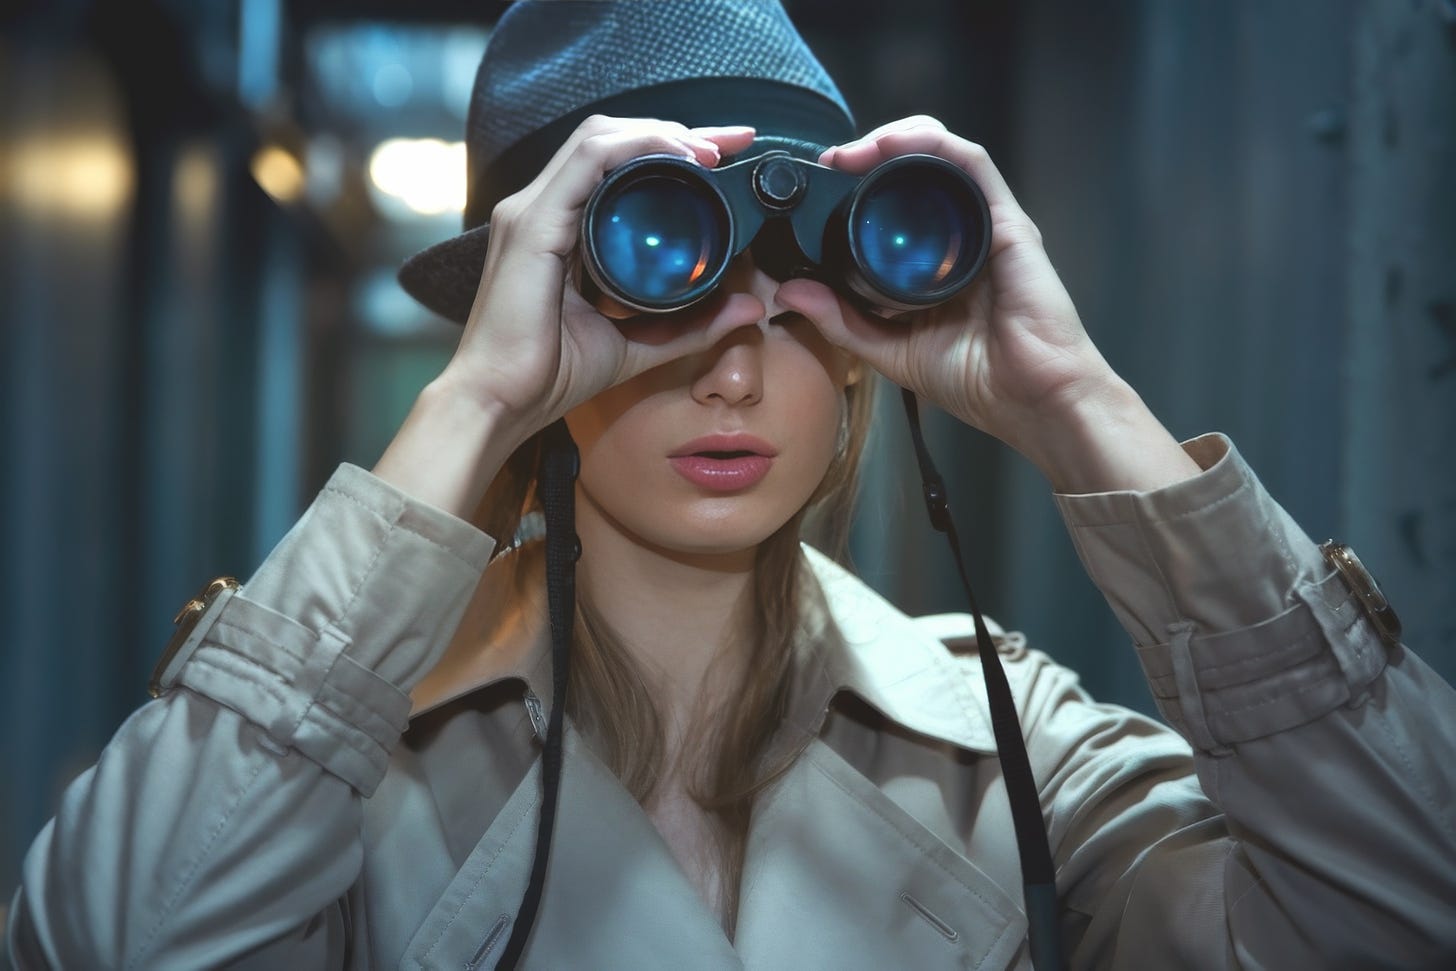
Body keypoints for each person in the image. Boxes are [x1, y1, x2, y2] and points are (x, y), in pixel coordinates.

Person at [8, 1, 1456, 968]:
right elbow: (114, 943)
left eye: (796, 306)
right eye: (655, 291)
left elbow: (1402, 913)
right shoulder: (337, 749)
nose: (735, 377)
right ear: (527, 328)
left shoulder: (1012, 755)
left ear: (859, 356)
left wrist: (1082, 404)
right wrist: (473, 403)